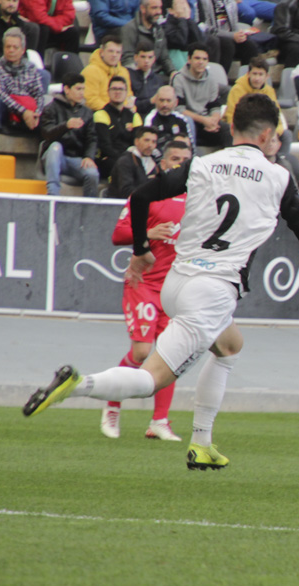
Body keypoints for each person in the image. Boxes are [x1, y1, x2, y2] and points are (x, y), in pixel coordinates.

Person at [24, 94, 299, 474]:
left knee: (230, 346)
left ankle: (201, 443)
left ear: (233, 129)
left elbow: (141, 196)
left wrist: (141, 248)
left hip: (176, 281)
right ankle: (78, 384)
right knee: (152, 379)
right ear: (268, 135)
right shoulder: (279, 176)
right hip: (213, 291)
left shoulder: (202, 163)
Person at [99, 138, 190, 439]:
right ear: (163, 162)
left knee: (171, 355)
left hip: (175, 289)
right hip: (145, 284)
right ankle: (112, 405)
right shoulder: (148, 195)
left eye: (184, 160)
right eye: (174, 159)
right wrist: (147, 233)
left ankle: (159, 422)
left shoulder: (197, 200)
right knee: (141, 352)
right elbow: (117, 234)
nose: (179, 164)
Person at [0, 27, 48, 152]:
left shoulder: (31, 68)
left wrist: (36, 113)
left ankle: (44, 148)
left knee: (47, 110)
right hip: (7, 110)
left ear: (22, 50)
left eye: (15, 47)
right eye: (8, 47)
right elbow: (0, 92)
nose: (11, 50)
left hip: (28, 114)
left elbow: (38, 93)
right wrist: (23, 111)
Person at [41, 73, 100, 197]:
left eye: (83, 89)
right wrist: (65, 126)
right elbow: (46, 134)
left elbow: (92, 138)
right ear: (67, 89)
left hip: (75, 158)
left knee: (93, 174)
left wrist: (89, 156)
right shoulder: (50, 108)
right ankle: (53, 195)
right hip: (54, 156)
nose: (82, 93)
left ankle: (90, 208)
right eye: (78, 89)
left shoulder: (87, 112)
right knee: (55, 146)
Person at [173, 44, 233, 148]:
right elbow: (179, 109)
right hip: (187, 120)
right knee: (189, 123)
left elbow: (214, 106)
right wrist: (204, 120)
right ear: (189, 59)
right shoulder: (178, 79)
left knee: (227, 129)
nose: (201, 62)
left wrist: (213, 120)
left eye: (204, 59)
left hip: (206, 121)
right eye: (197, 58)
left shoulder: (212, 80)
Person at [194, 0, 260, 74]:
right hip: (213, 38)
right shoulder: (202, 2)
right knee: (227, 44)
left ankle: (247, 79)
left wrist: (239, 34)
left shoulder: (231, 2)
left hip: (230, 36)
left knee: (250, 45)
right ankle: (221, 78)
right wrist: (232, 35)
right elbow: (203, 28)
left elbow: (234, 26)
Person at [94, 75, 144, 174]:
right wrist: (125, 159)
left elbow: (138, 143)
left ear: (126, 92)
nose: (117, 92)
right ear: (108, 92)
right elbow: (105, 146)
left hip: (130, 157)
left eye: (121, 89)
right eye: (114, 89)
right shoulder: (100, 114)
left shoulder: (134, 116)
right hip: (108, 159)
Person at [121, 0, 175, 77]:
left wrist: (172, 72)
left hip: (156, 75)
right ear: (143, 8)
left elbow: (165, 58)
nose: (159, 12)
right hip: (137, 76)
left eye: (160, 8)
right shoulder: (129, 29)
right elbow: (127, 59)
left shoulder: (159, 30)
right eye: (154, 8)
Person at [0, 0, 39, 65]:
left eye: (14, 1)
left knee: (44, 74)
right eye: (8, 0)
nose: (11, 4)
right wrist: (10, 60)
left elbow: (23, 47)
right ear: (0, 1)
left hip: (17, 63)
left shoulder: (17, 21)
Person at [83, 36, 133, 112]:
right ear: (102, 52)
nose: (114, 55)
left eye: (118, 52)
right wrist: (113, 111)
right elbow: (90, 100)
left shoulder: (123, 72)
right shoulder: (91, 71)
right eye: (111, 51)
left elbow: (128, 97)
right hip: (99, 114)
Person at [144, 84, 197, 153]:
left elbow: (190, 146)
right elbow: (148, 145)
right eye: (161, 100)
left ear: (176, 102)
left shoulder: (182, 119)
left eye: (168, 101)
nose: (164, 104)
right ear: (156, 101)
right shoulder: (150, 119)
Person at [127, 40, 167, 117]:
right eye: (143, 57)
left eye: (150, 57)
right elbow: (129, 103)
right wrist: (150, 101)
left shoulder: (158, 80)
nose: (146, 61)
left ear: (154, 59)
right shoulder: (127, 75)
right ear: (136, 57)